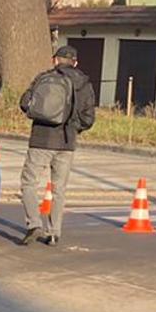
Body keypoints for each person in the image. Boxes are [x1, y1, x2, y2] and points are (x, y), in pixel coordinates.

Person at [18, 45, 96, 246]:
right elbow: (89, 118)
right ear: (75, 63)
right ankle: (53, 233)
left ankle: (34, 224)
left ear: (55, 60)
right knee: (59, 189)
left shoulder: (44, 78)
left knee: (29, 182)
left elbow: (24, 103)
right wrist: (74, 128)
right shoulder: (84, 84)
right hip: (67, 142)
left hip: (40, 139)